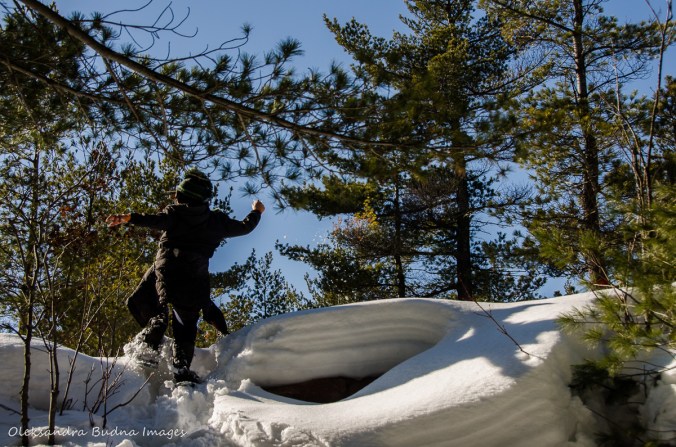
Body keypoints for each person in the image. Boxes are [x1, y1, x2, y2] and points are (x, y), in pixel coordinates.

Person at [106, 169, 265, 383]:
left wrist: (129, 218)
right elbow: (245, 228)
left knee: (156, 303)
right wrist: (256, 211)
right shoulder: (216, 221)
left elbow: (154, 220)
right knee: (186, 320)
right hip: (194, 276)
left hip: (167, 267)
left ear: (182, 197)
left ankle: (149, 343)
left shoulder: (175, 214)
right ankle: (181, 368)